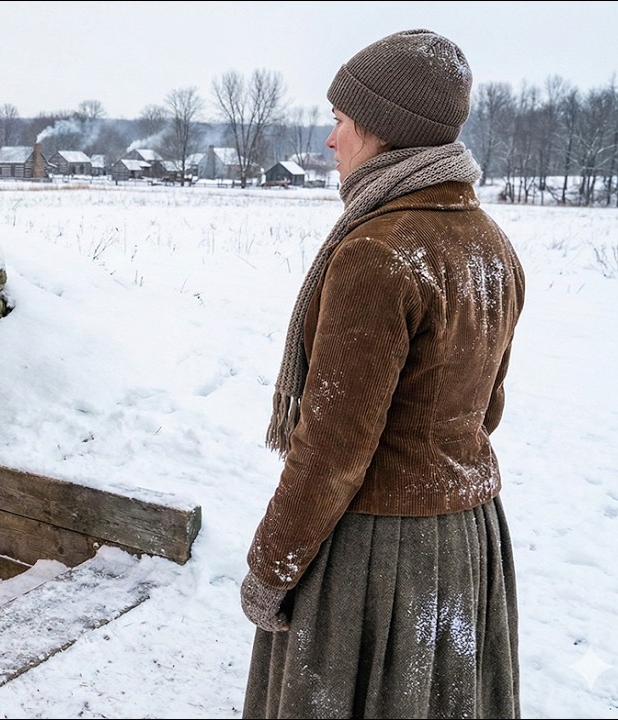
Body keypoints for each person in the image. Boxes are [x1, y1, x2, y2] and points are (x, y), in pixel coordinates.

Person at [238, 29, 525, 718]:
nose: (331, 140)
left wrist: (271, 567)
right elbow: (485, 411)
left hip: (377, 559)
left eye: (341, 121)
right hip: (468, 540)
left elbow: (333, 449)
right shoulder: (490, 244)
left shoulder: (378, 253)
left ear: (384, 131)